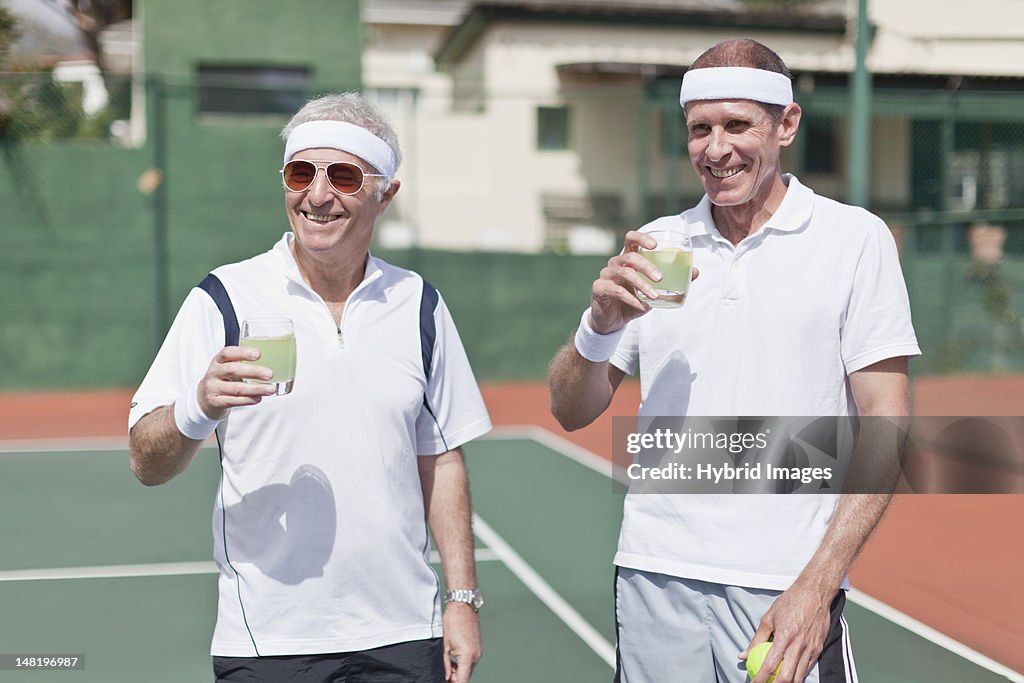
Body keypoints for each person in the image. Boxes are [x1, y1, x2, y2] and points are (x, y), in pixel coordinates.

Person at [548, 39, 920, 683]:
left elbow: (885, 424)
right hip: (652, 576)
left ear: (787, 125)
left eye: (738, 125)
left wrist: (818, 585)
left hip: (784, 586)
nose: (716, 149)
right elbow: (571, 409)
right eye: (700, 129)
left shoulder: (854, 239)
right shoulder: (660, 243)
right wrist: (599, 326)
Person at [129, 92, 491, 683]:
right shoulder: (223, 298)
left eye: (344, 176)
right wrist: (198, 406)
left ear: (385, 194)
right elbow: (147, 460)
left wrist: (462, 599)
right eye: (302, 172)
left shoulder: (419, 303)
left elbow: (442, 459)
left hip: (403, 636)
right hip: (267, 641)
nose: (317, 195)